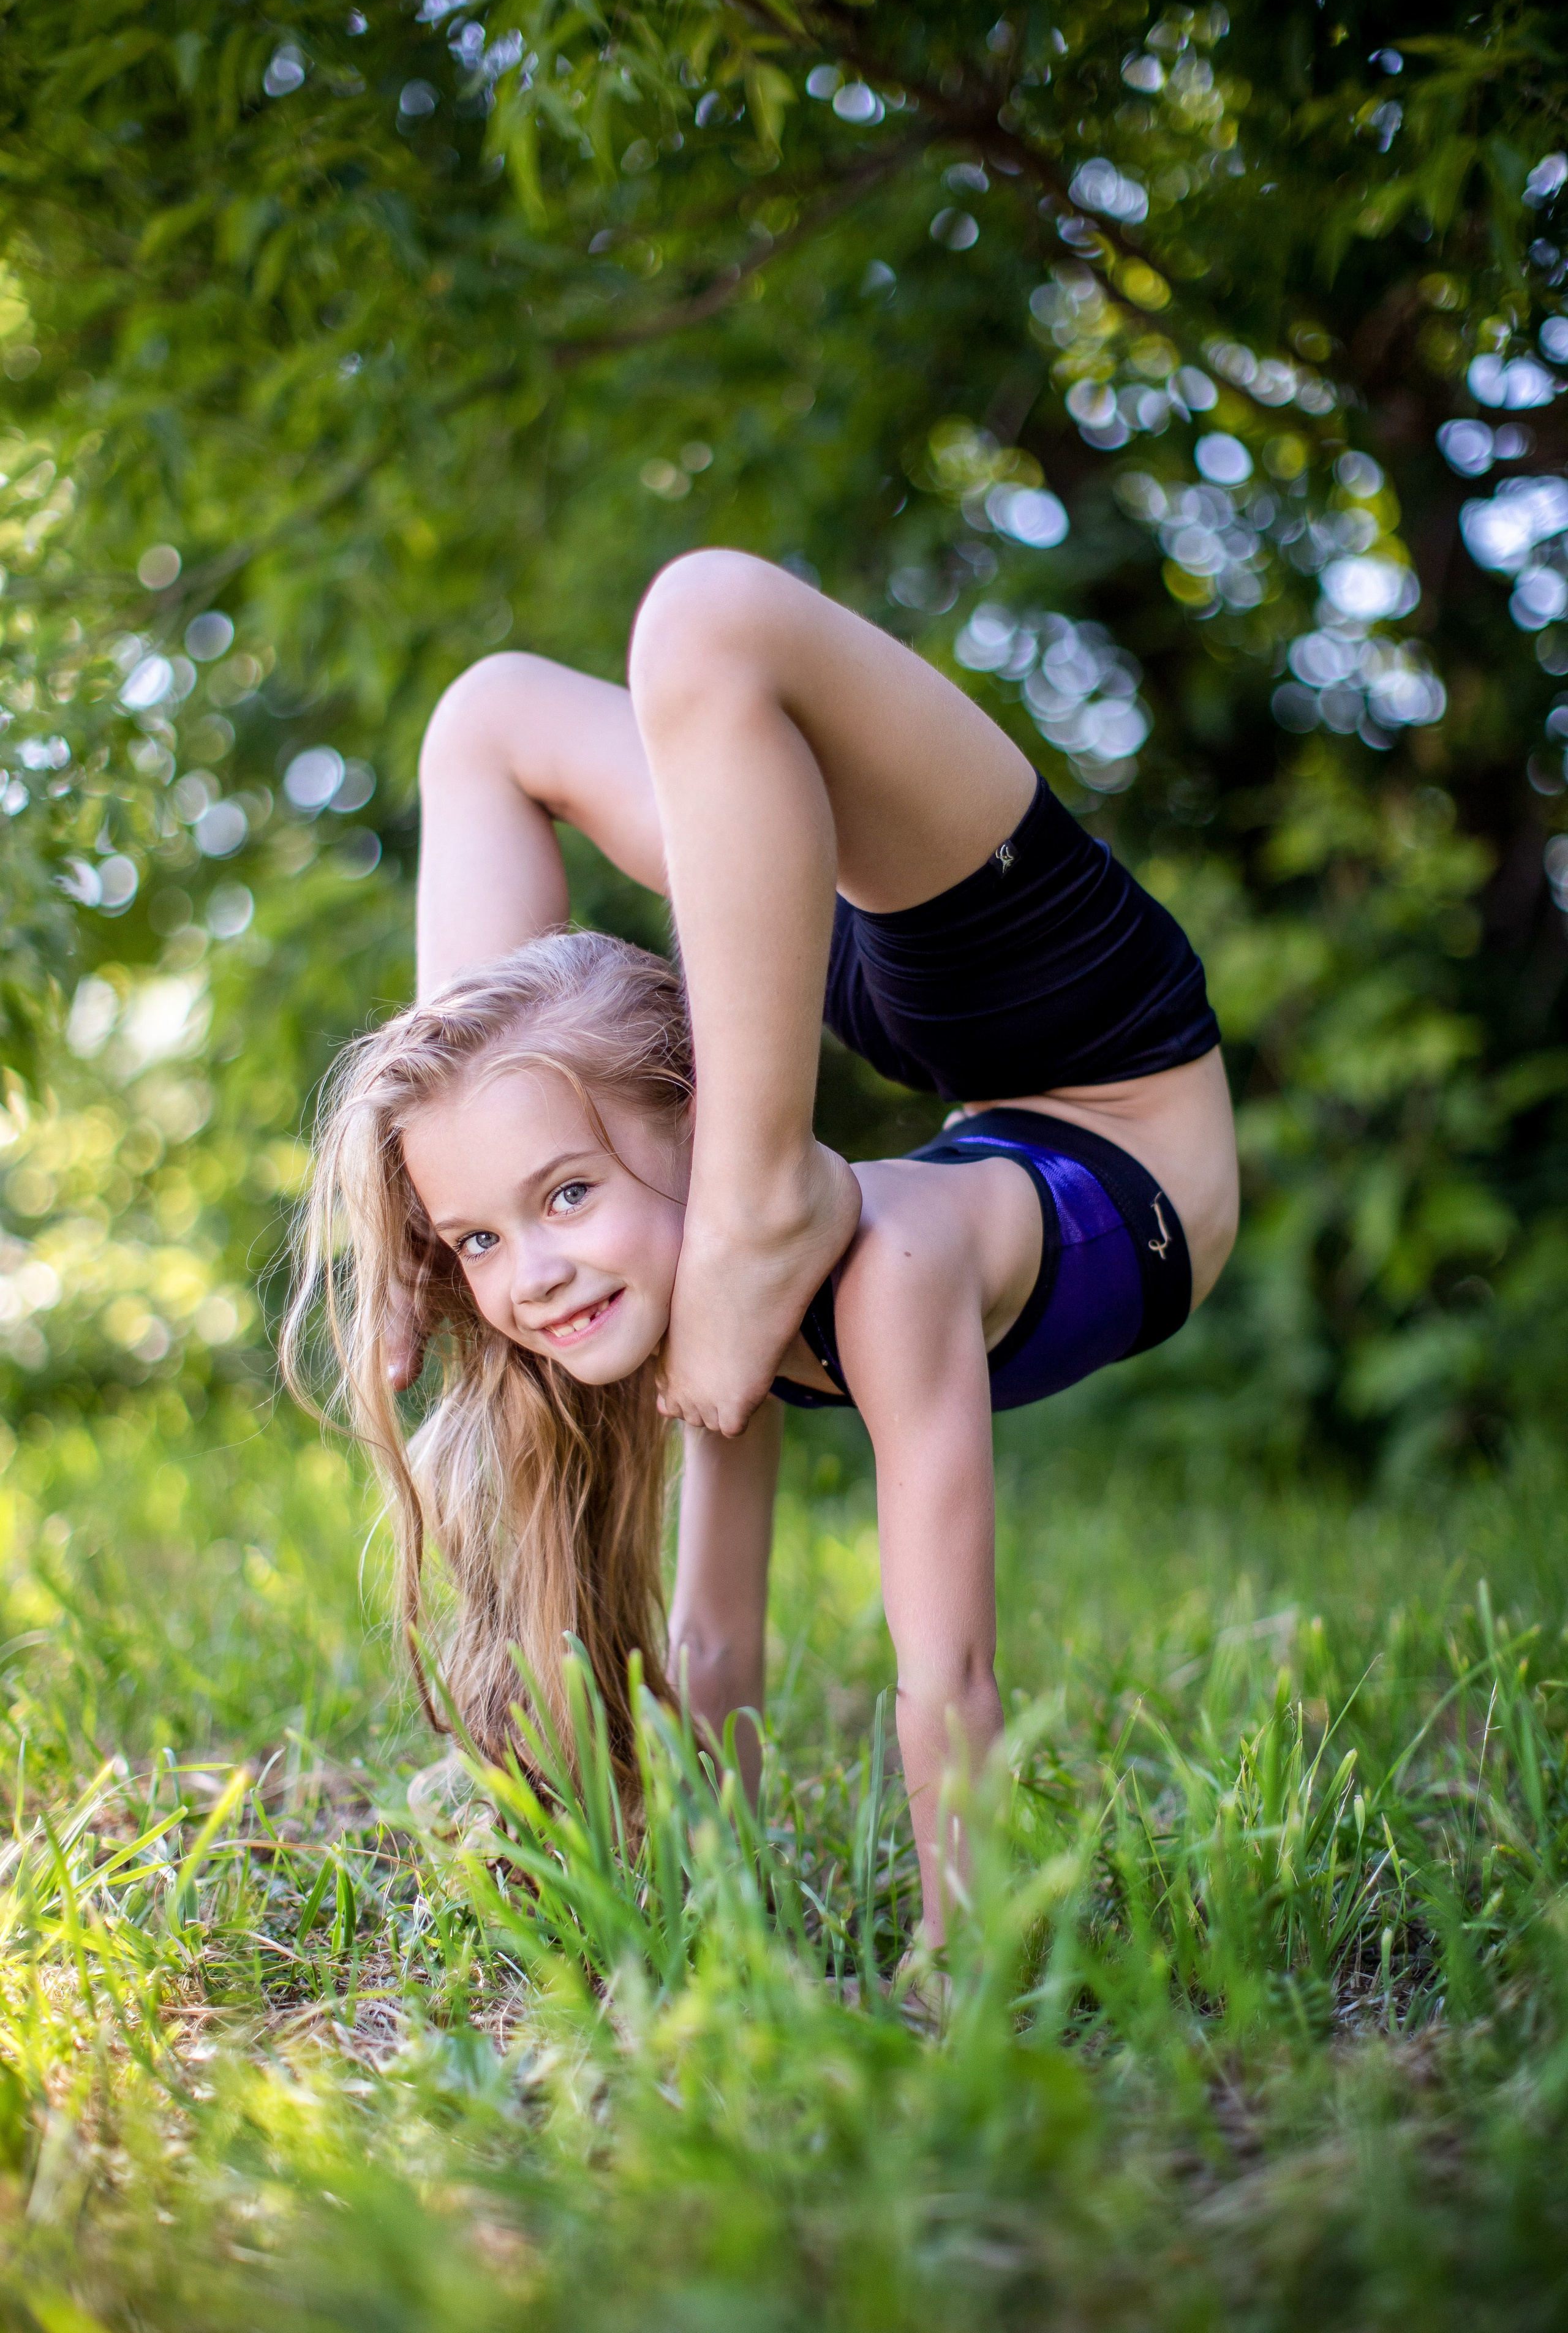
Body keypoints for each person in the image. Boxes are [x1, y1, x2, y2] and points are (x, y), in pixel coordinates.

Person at [285, 549, 1238, 1943]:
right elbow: (715, 1642)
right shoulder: (689, 1308)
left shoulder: (884, 1272)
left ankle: (716, 1182)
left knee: (681, 624)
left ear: (702, 1112)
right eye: (482, 1235)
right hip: (855, 1040)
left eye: (560, 1197)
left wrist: (950, 1955)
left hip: (1111, 1069)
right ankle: (446, 1161)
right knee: (488, 710)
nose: (534, 1276)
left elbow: (949, 1678)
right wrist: (699, 1898)